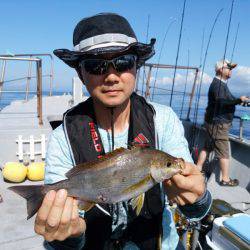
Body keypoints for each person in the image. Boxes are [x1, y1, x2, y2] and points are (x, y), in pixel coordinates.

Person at [35, 13, 212, 250]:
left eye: (123, 62)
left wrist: (197, 200)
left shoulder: (163, 120)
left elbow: (193, 210)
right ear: (80, 74)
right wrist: (69, 236)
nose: (111, 76)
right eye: (95, 65)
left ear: (137, 66)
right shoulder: (64, 136)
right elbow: (59, 242)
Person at [196, 59, 250, 186]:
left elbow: (229, 99)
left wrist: (241, 100)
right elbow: (221, 102)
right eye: (229, 68)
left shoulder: (221, 84)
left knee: (207, 147)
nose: (231, 71)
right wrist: (238, 101)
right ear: (220, 69)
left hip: (212, 122)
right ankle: (225, 179)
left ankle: (198, 168)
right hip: (218, 124)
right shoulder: (218, 85)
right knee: (224, 152)